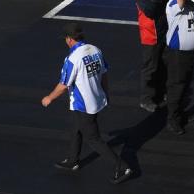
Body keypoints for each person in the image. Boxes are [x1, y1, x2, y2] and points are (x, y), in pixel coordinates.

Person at [41, 23, 133, 185]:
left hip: (84, 105)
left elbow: (63, 85)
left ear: (69, 39)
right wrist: (106, 94)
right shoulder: (95, 50)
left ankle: (122, 166)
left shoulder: (72, 59)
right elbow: (104, 75)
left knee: (93, 139)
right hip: (96, 99)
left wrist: (49, 97)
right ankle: (73, 160)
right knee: (76, 128)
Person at [164, 0, 194, 135]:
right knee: (176, 87)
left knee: (185, 85)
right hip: (177, 55)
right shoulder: (174, 4)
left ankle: (180, 114)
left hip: (189, 54)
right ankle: (172, 120)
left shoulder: (193, 6)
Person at [135, 0, 168, 113]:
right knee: (150, 68)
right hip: (150, 36)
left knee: (163, 65)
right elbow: (150, 10)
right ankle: (146, 99)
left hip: (162, 32)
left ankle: (161, 91)